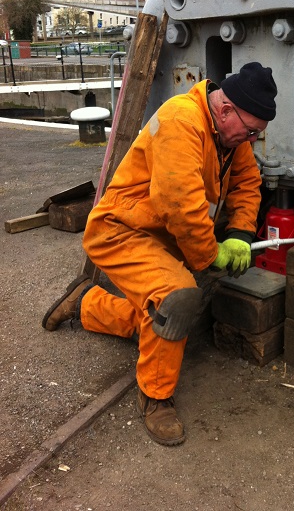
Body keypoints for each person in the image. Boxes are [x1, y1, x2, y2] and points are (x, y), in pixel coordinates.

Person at [42, 61, 278, 446]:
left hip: (160, 235)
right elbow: (178, 204)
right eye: (251, 131)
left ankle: (87, 304)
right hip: (121, 231)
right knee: (178, 297)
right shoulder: (181, 121)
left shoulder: (230, 137)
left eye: (258, 134)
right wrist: (209, 256)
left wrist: (238, 234)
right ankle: (155, 397)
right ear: (225, 110)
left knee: (163, 315)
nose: (252, 139)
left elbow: (248, 183)